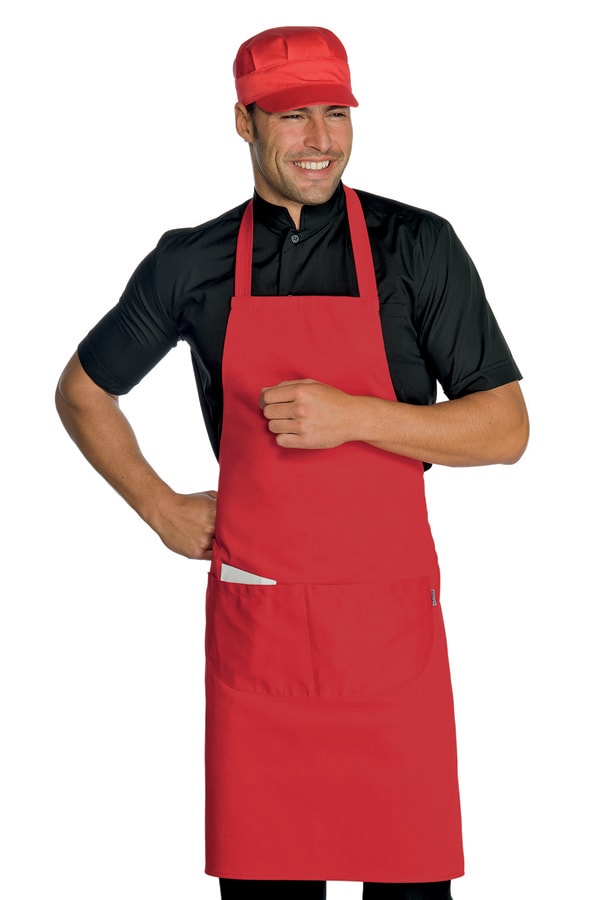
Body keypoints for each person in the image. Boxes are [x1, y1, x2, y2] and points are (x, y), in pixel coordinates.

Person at [55, 24, 529, 900]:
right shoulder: (192, 262)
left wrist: (356, 417)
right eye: (291, 116)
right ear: (243, 122)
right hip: (261, 632)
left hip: (388, 641)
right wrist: (160, 507)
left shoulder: (417, 246)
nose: (320, 140)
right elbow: (83, 391)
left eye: (336, 113)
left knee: (411, 886)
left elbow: (505, 429)